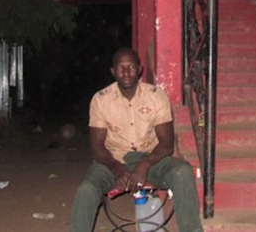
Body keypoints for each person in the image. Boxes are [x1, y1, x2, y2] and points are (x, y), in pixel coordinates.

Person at [71, 47, 203, 232]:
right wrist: (117, 168)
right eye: (121, 67)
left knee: (182, 171)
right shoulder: (101, 100)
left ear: (139, 69)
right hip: (112, 160)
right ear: (113, 71)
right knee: (87, 190)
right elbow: (97, 147)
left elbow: (166, 144)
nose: (126, 72)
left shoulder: (156, 96)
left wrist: (145, 164)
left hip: (151, 158)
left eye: (131, 67)